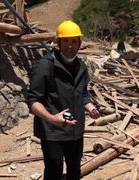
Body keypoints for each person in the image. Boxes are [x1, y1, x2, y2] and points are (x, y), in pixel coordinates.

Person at [27, 20, 100, 180]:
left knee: (74, 168)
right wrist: (52, 118)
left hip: (75, 130)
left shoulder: (81, 66)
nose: (70, 45)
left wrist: (90, 107)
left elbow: (83, 93)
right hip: (52, 131)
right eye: (66, 41)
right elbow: (33, 101)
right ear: (58, 42)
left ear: (79, 43)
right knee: (54, 169)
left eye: (74, 41)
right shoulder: (45, 67)